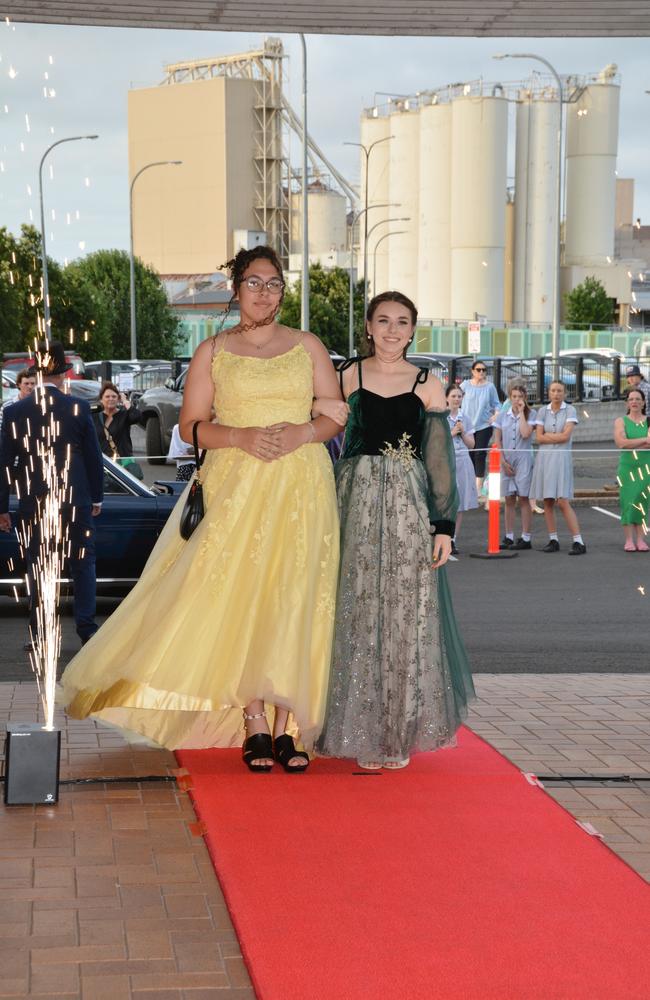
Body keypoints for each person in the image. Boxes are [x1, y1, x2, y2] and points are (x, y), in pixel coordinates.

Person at [60, 245, 343, 773]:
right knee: (240, 596)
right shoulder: (212, 350)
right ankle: (254, 721)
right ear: (236, 290)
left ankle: (290, 725)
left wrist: (305, 432)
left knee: (297, 595)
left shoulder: (308, 345)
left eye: (274, 283)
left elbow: (334, 412)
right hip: (237, 484)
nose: (265, 292)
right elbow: (190, 426)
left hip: (302, 484)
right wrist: (240, 434)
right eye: (255, 282)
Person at [314, 291, 475, 770]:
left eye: (401, 322)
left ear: (412, 329)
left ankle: (395, 734)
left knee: (406, 615)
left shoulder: (429, 383)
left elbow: (439, 460)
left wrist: (442, 526)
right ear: (368, 325)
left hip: (408, 507)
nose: (391, 330)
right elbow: (315, 430)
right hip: (353, 504)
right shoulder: (344, 376)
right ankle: (355, 728)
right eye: (382, 320)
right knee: (356, 610)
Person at [0, 341, 104, 650]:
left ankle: (40, 633)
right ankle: (86, 630)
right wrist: (96, 497)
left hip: (34, 500)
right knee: (83, 564)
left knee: (39, 565)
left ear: (36, 372)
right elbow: (93, 458)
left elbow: (4, 462)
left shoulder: (15, 411)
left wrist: (2, 506)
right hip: (76, 499)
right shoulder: (79, 408)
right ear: (64, 373)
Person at [529, 380, 586, 555]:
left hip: (561, 458)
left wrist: (549, 436)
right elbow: (538, 438)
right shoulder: (541, 411)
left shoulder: (570, 410)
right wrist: (555, 436)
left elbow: (565, 436)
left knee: (562, 500)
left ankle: (578, 541)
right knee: (547, 500)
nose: (556, 394)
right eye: (553, 390)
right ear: (548, 392)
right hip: (545, 458)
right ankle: (553, 539)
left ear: (565, 393)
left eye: (559, 391)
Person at [493, 384, 537, 550]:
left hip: (523, 458)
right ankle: (509, 536)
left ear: (525, 398)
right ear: (510, 398)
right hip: (506, 459)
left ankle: (526, 537)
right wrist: (503, 461)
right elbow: (497, 440)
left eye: (520, 396)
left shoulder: (531, 414)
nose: (517, 400)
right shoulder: (502, 416)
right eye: (514, 396)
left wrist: (521, 415)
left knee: (523, 497)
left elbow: (526, 433)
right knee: (509, 499)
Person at [614, 388, 650, 552]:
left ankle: (641, 540)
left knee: (642, 502)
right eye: (631, 399)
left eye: (638, 399)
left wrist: (632, 441)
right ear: (627, 403)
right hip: (627, 467)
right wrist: (644, 440)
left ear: (643, 402)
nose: (634, 402)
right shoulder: (620, 421)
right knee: (628, 502)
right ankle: (629, 539)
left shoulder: (649, 421)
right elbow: (621, 443)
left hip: (646, 467)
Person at [459, 360, 500, 503]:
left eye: (484, 370)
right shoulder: (464, 385)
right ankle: (469, 484)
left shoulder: (490, 387)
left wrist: (495, 415)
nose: (481, 372)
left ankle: (478, 486)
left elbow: (497, 404)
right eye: (478, 369)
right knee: (468, 454)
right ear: (472, 371)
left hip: (483, 425)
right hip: (467, 425)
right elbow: (457, 400)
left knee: (479, 453)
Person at [445, 384, 478, 555]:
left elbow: (472, 445)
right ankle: (442, 536)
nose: (457, 399)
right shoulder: (441, 418)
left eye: (459, 396)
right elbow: (436, 442)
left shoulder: (466, 418)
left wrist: (463, 432)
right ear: (447, 398)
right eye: (454, 396)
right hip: (446, 461)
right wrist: (451, 432)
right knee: (447, 501)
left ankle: (453, 539)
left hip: (463, 461)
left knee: (460, 503)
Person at [93, 382, 143, 478]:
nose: (111, 399)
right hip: (103, 464)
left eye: (114, 396)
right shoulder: (94, 417)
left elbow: (137, 417)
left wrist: (125, 401)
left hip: (123, 465)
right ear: (101, 399)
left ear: (118, 399)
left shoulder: (124, 415)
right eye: (107, 396)